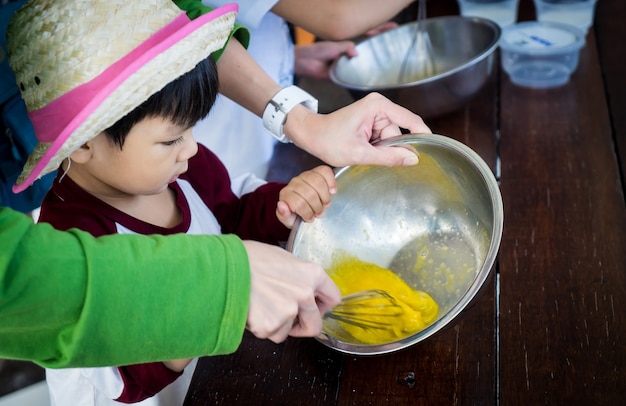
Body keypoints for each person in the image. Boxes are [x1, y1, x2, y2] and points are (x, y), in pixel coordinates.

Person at [1, 0, 428, 371]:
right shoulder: (66, 237)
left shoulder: (186, 166)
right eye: (171, 139)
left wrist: (287, 204)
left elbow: (233, 213)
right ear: (83, 145)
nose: (191, 149)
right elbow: (121, 375)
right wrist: (213, 304)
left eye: (192, 130)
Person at [187, 0, 420, 180]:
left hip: (254, 134)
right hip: (216, 151)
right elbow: (337, 17)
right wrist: (306, 124)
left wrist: (293, 58)